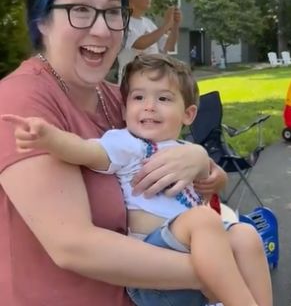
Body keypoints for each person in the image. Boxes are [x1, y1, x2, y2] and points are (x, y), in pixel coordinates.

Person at [0, 0, 270, 306]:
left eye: (113, 11)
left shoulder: (121, 97)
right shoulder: (21, 101)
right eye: (80, 9)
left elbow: (201, 177)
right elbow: (72, 246)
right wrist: (222, 272)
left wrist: (200, 159)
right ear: (42, 21)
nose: (102, 28)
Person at [3, 53, 269, 306]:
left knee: (246, 235)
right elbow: (84, 151)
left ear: (188, 114)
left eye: (163, 99)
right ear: (125, 107)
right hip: (153, 265)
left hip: (190, 246)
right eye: (139, 97)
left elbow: (210, 182)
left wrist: (206, 171)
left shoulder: (179, 148)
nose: (149, 107)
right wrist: (49, 138)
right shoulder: (127, 144)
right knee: (204, 219)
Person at [117, 0, 180, 83]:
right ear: (130, 2)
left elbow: (169, 46)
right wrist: (166, 25)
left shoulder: (148, 23)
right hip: (130, 83)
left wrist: (175, 25)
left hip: (152, 81)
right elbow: (140, 44)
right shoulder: (123, 22)